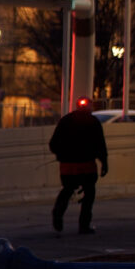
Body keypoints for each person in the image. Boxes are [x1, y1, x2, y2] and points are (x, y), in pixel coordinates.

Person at [49, 98, 108, 234]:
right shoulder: (93, 122)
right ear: (90, 107)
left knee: (68, 190)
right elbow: (100, 145)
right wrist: (104, 163)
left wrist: (61, 155)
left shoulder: (65, 121)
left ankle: (58, 212)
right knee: (89, 194)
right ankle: (84, 225)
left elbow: (53, 144)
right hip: (87, 165)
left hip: (67, 166)